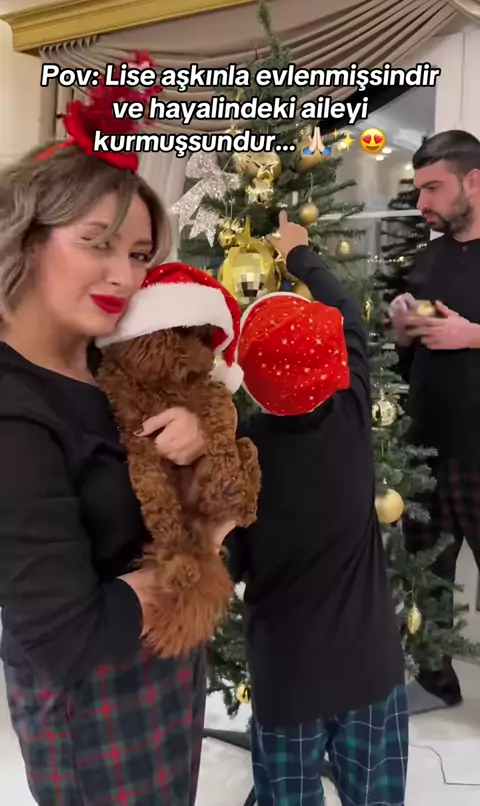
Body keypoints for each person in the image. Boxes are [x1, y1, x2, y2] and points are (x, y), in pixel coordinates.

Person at [0, 72, 233, 805]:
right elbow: (66, 637)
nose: (123, 277)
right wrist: (201, 554)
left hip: (166, 669)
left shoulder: (113, 362)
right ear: (25, 240)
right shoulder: (14, 410)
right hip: (93, 712)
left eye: (137, 254)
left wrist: (203, 441)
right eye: (96, 243)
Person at [226, 211, 408, 806]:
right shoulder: (352, 414)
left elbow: (230, 559)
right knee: (375, 794)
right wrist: (299, 253)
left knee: (288, 795)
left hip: (288, 679)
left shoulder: (242, 454)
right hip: (369, 667)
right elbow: (349, 314)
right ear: (333, 367)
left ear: (249, 380)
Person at [389, 129, 480, 712]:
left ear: (474, 182)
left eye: (433, 188)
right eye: (419, 189)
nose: (421, 202)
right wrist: (404, 332)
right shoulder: (426, 260)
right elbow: (411, 355)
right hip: (424, 449)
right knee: (426, 578)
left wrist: (473, 335)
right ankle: (433, 686)